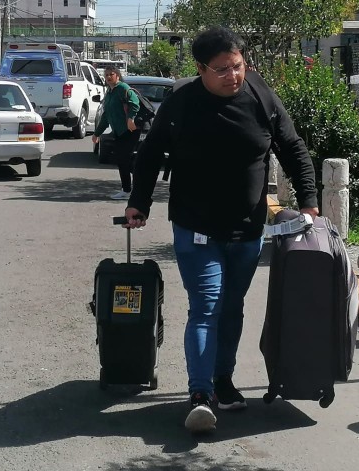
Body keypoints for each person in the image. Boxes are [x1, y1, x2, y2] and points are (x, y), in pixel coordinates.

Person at [122, 26, 319, 433]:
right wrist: (138, 202)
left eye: (238, 65)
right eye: (222, 69)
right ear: (201, 69)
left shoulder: (261, 95)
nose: (233, 75)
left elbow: (292, 146)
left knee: (232, 307)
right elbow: (150, 153)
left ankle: (223, 380)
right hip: (196, 226)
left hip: (246, 228)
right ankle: (200, 393)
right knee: (207, 305)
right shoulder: (181, 101)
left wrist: (310, 200)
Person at [92, 67, 141, 200]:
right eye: (106, 75)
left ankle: (129, 190)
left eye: (111, 74)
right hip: (119, 131)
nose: (108, 77)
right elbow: (106, 116)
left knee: (124, 159)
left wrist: (131, 118)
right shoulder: (110, 92)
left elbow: (135, 103)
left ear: (117, 76)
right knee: (123, 160)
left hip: (130, 130)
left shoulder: (123, 88)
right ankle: (133, 186)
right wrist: (97, 133)